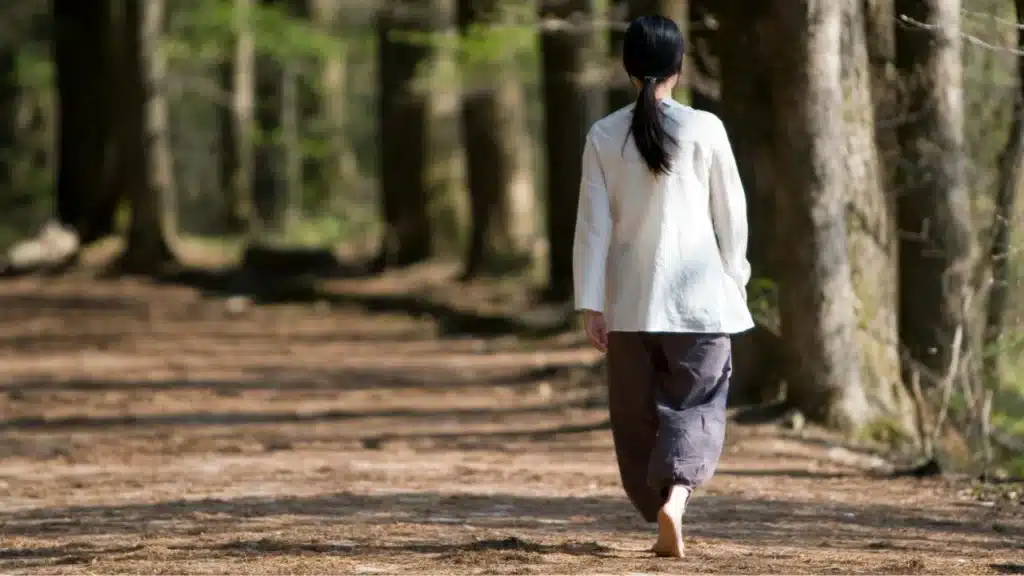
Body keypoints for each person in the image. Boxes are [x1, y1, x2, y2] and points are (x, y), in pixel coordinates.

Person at [571, 14, 754, 558]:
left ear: (628, 69)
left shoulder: (603, 135)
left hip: (629, 306)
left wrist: (590, 304)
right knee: (695, 405)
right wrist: (735, 277)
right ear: (679, 67)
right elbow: (732, 216)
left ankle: (657, 508)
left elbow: (592, 227)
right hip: (701, 305)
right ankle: (677, 498)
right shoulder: (705, 128)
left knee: (635, 419)